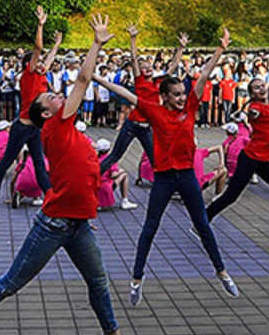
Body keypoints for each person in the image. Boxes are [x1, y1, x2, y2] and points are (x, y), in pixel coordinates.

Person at [0, 14, 131, 335]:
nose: (56, 94)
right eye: (50, 97)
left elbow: (84, 174)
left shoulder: (64, 126)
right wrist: (96, 43)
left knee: (98, 281)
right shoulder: (57, 127)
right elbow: (83, 80)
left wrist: (88, 211)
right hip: (54, 224)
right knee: (11, 283)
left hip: (79, 223)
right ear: (47, 113)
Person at [92, 26, 239, 306]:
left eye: (183, 93)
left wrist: (221, 49)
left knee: (202, 224)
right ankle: (137, 279)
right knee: (150, 227)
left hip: (186, 176)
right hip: (163, 179)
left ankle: (222, 272)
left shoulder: (190, 108)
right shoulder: (154, 111)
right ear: (165, 96)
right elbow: (124, 92)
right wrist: (97, 78)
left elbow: (204, 75)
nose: (182, 97)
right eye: (176, 94)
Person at [203, 76, 269, 247]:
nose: (261, 89)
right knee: (231, 195)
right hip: (250, 158)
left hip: (262, 159)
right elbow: (254, 113)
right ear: (252, 93)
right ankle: (203, 220)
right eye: (256, 88)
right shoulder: (255, 107)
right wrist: (249, 113)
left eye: (262, 86)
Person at [0, 7, 60, 217]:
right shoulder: (28, 75)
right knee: (5, 163)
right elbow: (38, 47)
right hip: (22, 127)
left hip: (35, 128)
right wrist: (40, 25)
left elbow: (48, 57)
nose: (43, 63)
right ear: (30, 64)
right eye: (39, 61)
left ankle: (51, 201)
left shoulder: (42, 74)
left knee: (39, 165)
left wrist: (57, 44)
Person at [100, 26, 185, 178]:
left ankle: (165, 184)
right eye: (143, 68)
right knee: (115, 155)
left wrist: (181, 47)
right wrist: (133, 38)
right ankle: (92, 177)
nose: (148, 69)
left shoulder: (159, 82)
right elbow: (133, 59)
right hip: (132, 125)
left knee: (155, 159)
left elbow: (173, 66)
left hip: (146, 127)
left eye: (149, 67)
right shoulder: (140, 81)